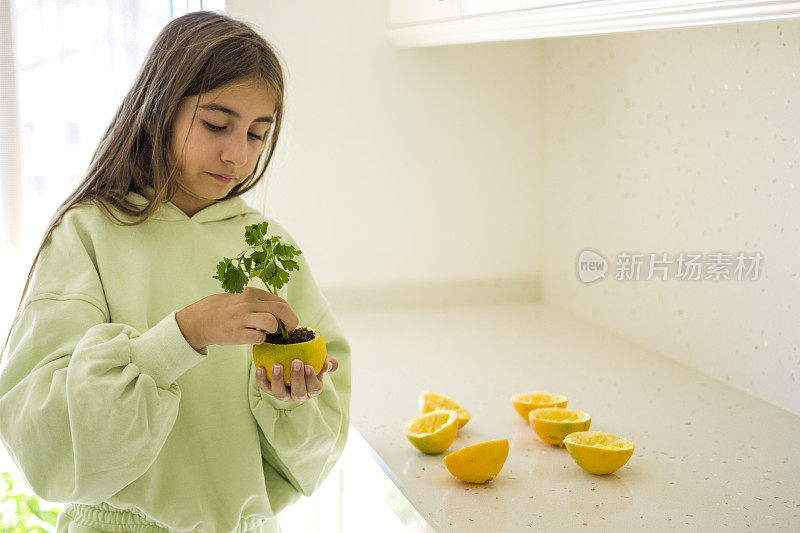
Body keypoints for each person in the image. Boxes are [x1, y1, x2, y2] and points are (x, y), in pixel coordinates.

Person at [0, 10, 350, 533]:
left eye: (258, 133)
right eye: (216, 123)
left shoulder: (273, 248)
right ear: (157, 108)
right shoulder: (88, 234)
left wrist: (292, 404)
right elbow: (42, 435)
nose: (238, 154)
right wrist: (183, 335)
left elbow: (315, 455)